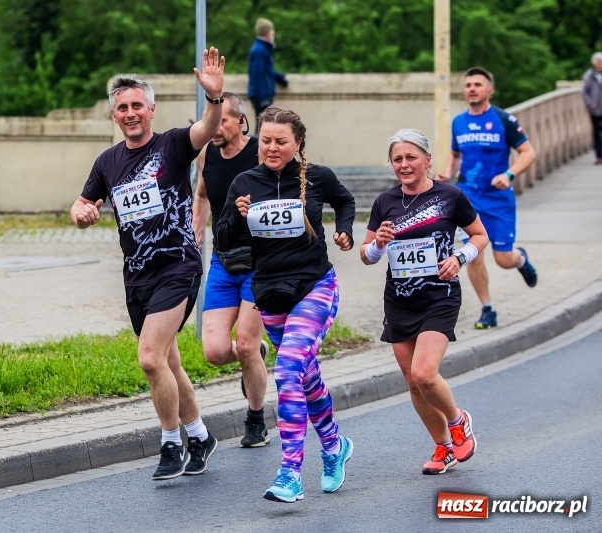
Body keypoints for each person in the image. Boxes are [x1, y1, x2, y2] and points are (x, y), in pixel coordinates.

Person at [70, 48, 225, 481]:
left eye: (137, 105)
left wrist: (214, 99)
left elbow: (208, 130)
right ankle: (200, 435)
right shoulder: (108, 162)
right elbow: (84, 202)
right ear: (114, 116)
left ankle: (171, 443)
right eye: (123, 108)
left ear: (151, 110)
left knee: (150, 358)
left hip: (177, 266)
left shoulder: (173, 144)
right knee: (169, 365)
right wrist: (80, 213)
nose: (130, 113)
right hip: (137, 276)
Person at [215, 106, 356, 503]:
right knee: (305, 377)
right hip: (270, 293)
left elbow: (344, 202)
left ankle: (290, 472)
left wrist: (344, 231)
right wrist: (239, 217)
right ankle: (334, 446)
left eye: (281, 142)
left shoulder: (316, 176)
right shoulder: (244, 181)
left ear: (297, 144)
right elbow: (224, 241)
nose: (272, 148)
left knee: (289, 366)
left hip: (315, 286)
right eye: (266, 140)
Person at [360, 128, 489, 475]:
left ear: (427, 160)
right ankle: (443, 446)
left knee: (424, 373)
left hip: (439, 295)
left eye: (411, 157)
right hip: (400, 299)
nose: (404, 165)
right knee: (412, 381)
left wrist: (460, 258)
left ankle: (458, 420)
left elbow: (480, 236)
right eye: (397, 159)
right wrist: (379, 245)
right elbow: (366, 255)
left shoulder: (450, 195)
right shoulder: (384, 202)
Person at [191, 92, 270, 449]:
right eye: (213, 119)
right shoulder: (207, 153)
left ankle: (256, 420)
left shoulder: (260, 153)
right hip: (224, 261)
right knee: (215, 352)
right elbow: (203, 195)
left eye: (223, 119)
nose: (216, 127)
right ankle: (256, 356)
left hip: (259, 264)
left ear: (241, 122)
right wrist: (196, 236)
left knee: (246, 345)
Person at [436, 66, 537, 330]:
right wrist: (448, 172)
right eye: (468, 85)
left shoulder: (504, 119)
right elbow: (455, 153)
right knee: (472, 253)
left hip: (499, 199)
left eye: (478, 85)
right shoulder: (458, 122)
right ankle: (487, 309)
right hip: (468, 197)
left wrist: (510, 174)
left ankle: (521, 259)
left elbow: (528, 153)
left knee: (503, 259)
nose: (472, 89)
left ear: (489, 90)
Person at [247, 18, 288, 119]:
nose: (273, 33)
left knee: (263, 125)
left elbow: (266, 70)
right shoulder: (260, 51)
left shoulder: (261, 49)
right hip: (262, 96)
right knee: (262, 126)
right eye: (271, 30)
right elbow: (258, 74)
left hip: (263, 94)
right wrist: (262, 98)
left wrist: (279, 77)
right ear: (267, 33)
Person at [581, 51, 602, 165]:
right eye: (599, 62)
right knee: (596, 133)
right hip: (595, 110)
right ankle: (599, 155)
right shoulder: (589, 75)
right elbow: (583, 91)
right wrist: (590, 104)